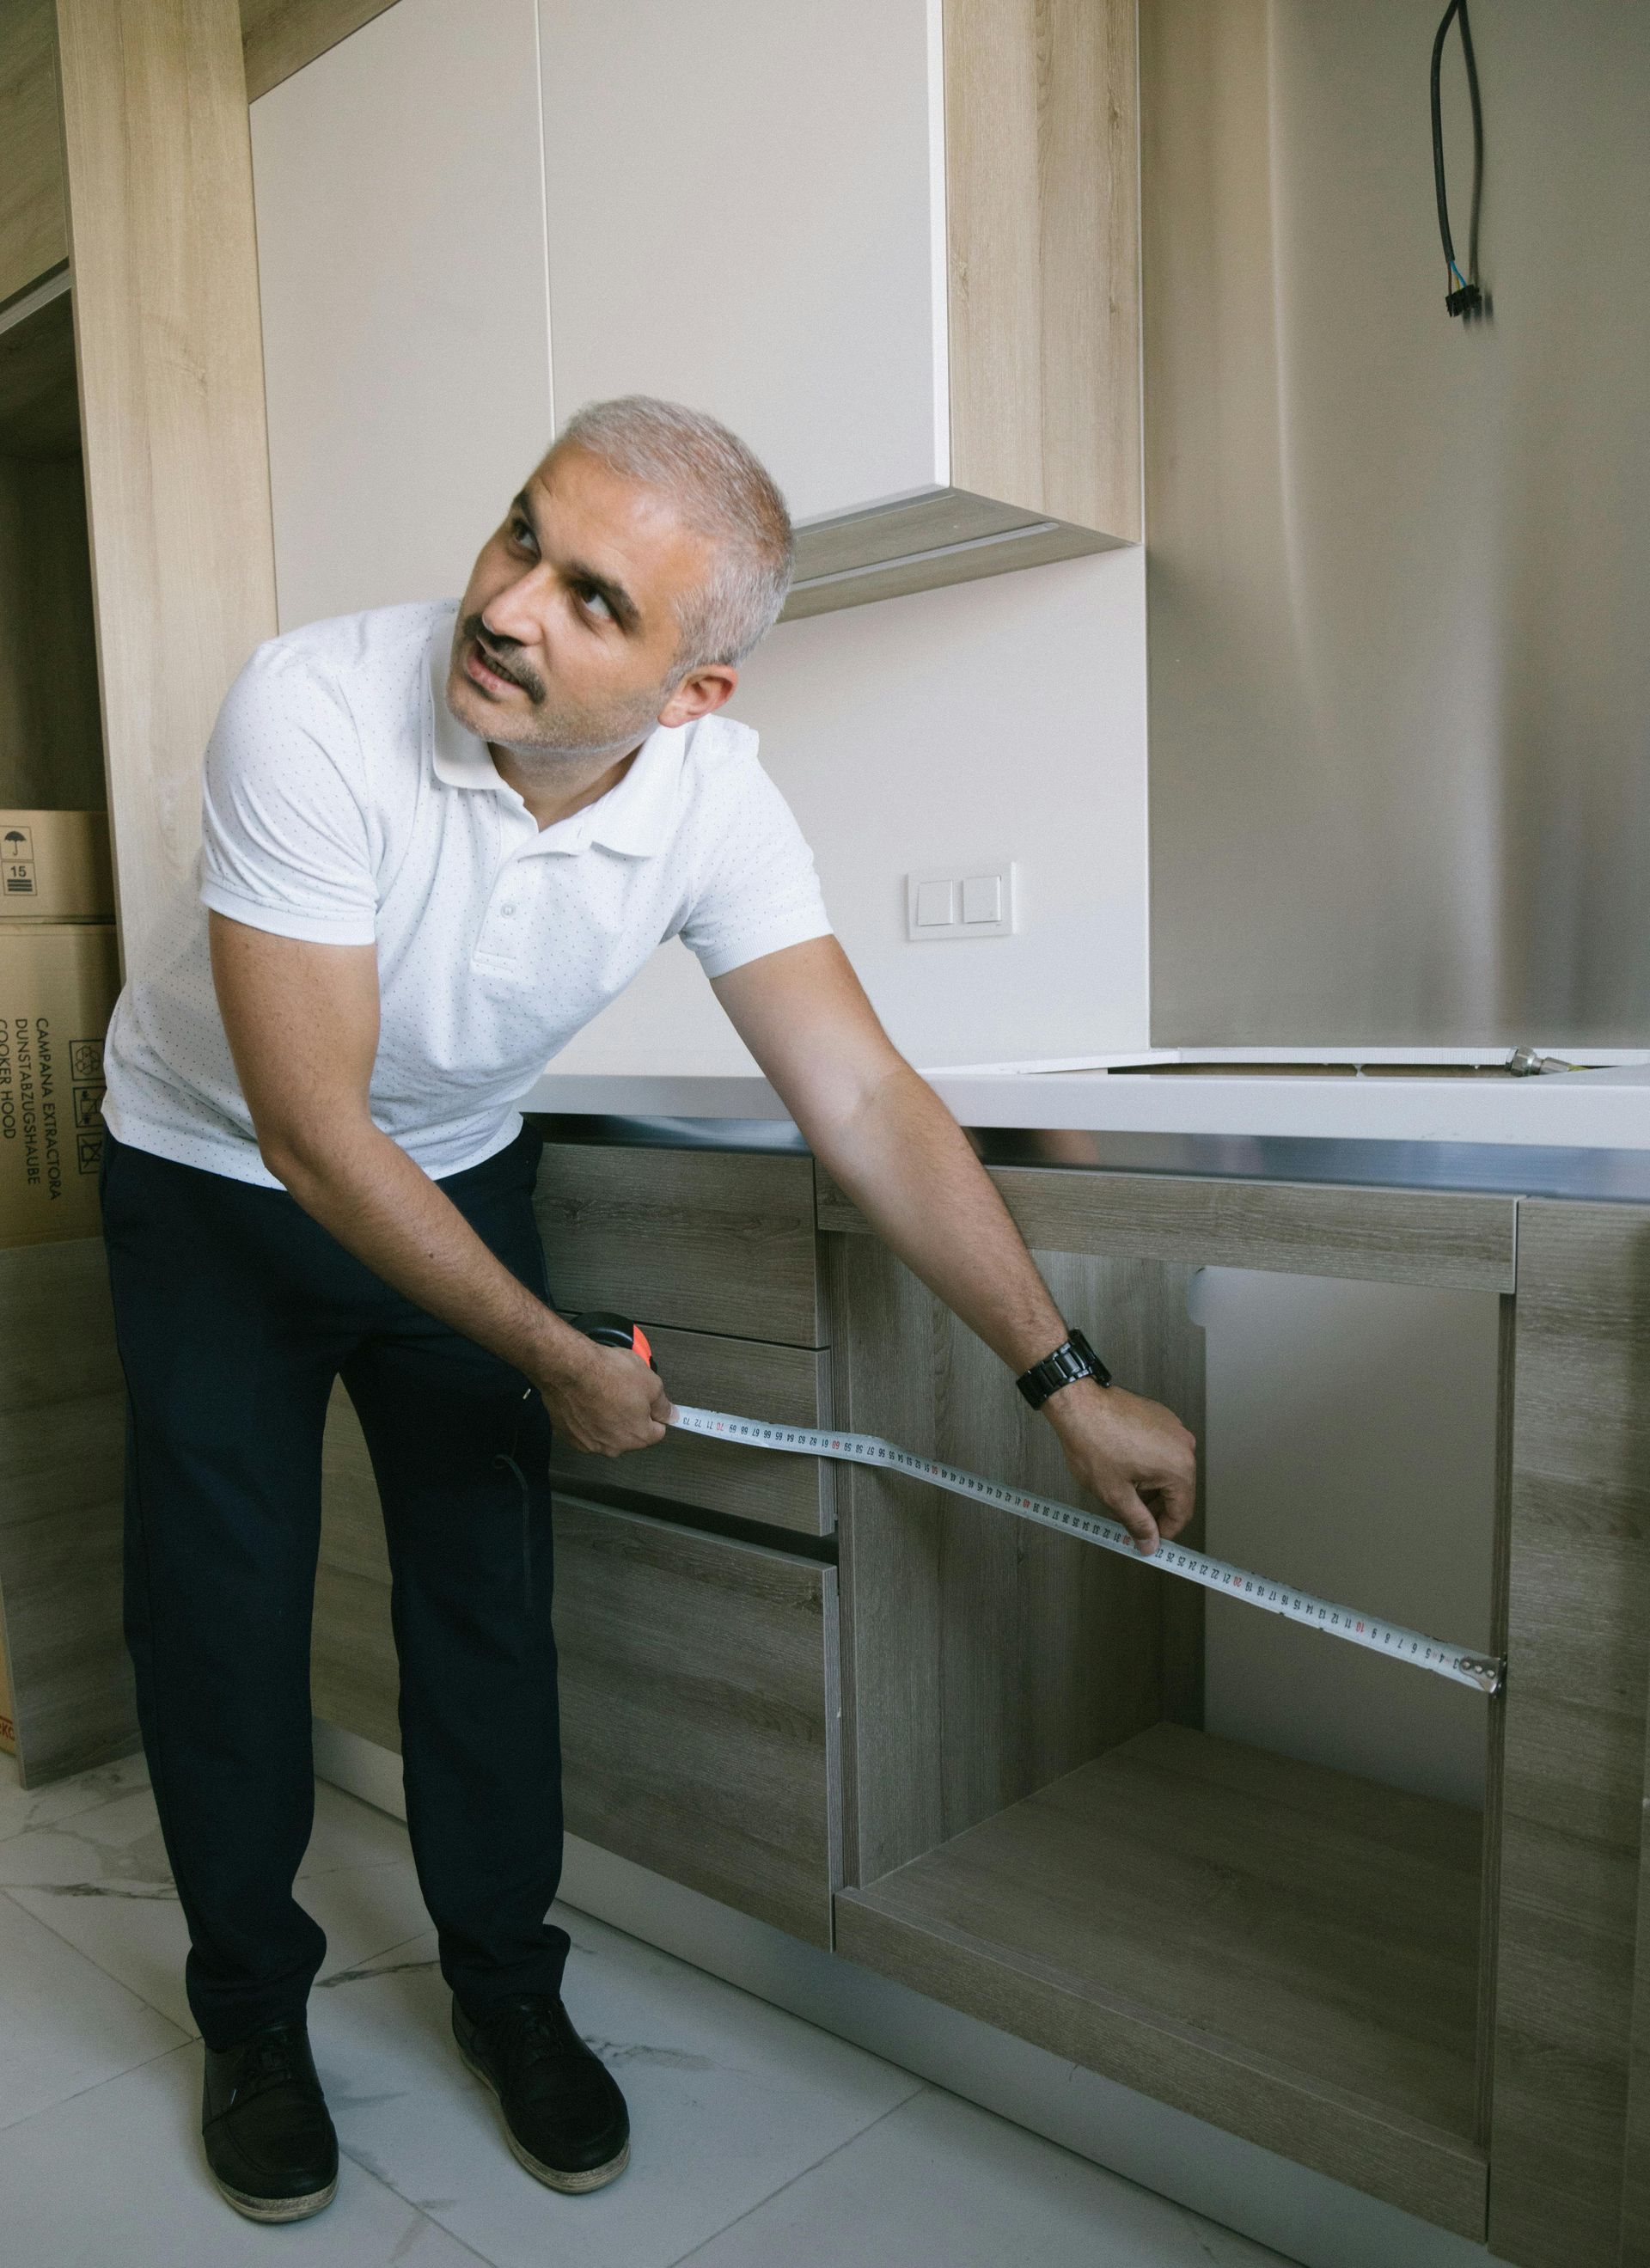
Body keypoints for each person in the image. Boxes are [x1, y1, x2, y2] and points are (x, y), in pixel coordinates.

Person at [98, 396, 1196, 2223]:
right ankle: (253, 2021)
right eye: (521, 535)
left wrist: (1063, 1377)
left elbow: (862, 1097)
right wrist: (553, 1357)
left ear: (695, 692)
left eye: (594, 599)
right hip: (216, 1177)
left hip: (451, 1170)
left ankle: (507, 1990)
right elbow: (311, 1130)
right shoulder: (310, 709)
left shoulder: (715, 804)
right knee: (223, 1609)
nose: (508, 603)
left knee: (483, 1595)